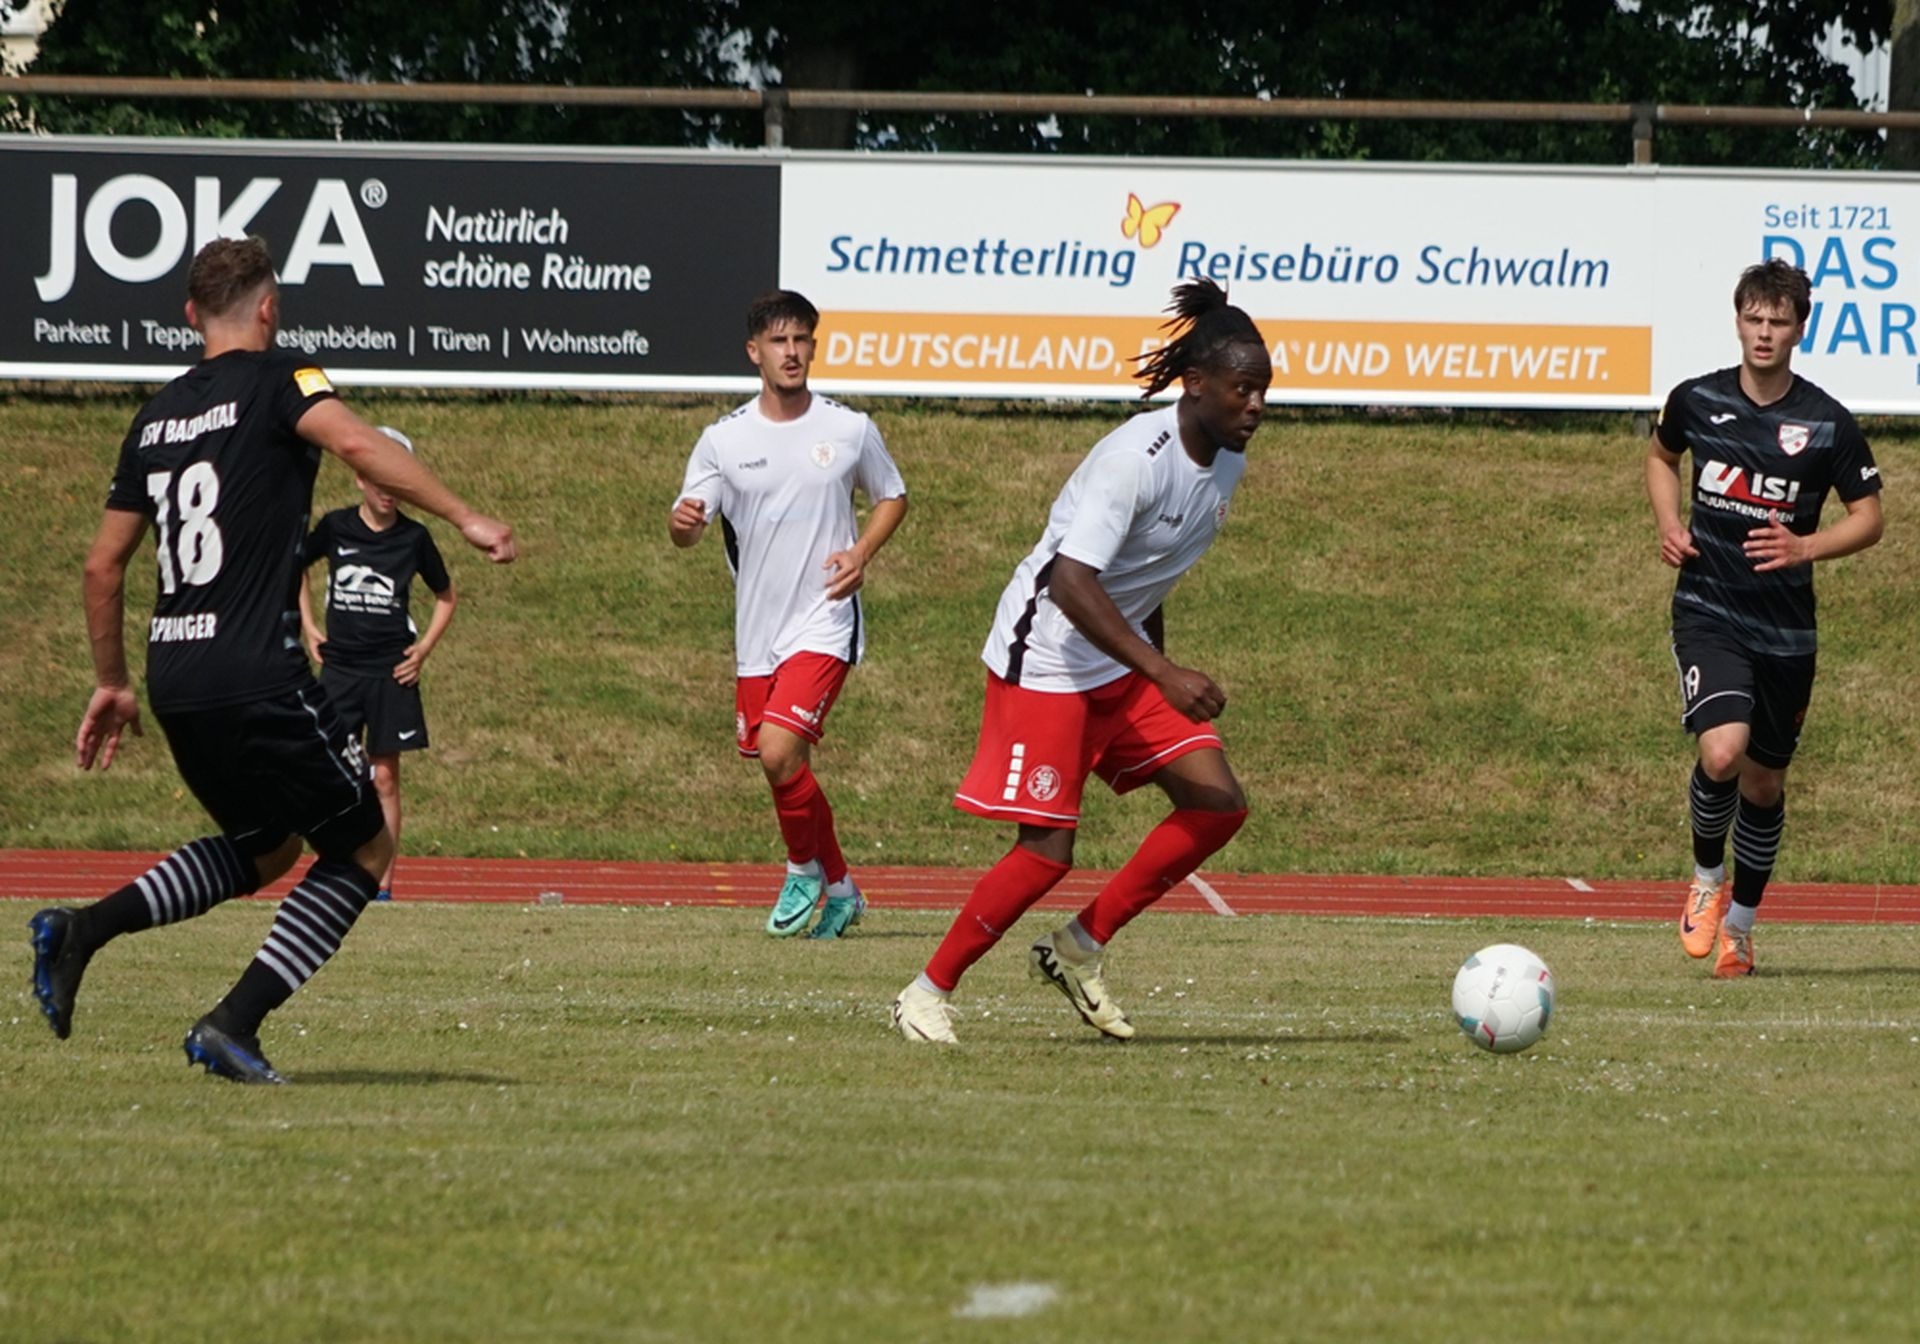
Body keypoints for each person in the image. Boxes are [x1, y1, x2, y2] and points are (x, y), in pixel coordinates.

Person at [26, 236, 515, 1084]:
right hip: (258, 671)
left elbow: (102, 566)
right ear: (268, 309)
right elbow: (358, 444)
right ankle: (232, 1023)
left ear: (191, 316)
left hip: (177, 679)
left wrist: (111, 681)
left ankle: (83, 930)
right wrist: (465, 515)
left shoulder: (154, 417)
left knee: (266, 849)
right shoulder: (285, 377)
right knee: (365, 850)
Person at [892, 278, 1269, 1045]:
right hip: (1047, 658)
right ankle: (925, 994)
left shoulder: (1225, 460)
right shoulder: (1135, 460)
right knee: (1046, 854)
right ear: (1195, 385)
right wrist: (1164, 673)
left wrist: (1154, 668)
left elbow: (1147, 576)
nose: (1257, 405)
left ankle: (1078, 946)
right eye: (1243, 389)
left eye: (1264, 390)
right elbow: (1071, 583)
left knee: (1217, 805)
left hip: (1117, 662)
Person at [1646, 258, 1884, 978]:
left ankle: (1741, 930)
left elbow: (1870, 518)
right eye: (1754, 318)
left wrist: (1807, 545)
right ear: (1738, 320)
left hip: (1786, 631)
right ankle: (1705, 880)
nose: (1764, 332)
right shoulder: (1697, 399)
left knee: (1763, 784)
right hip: (1708, 608)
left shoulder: (1826, 422)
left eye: (1778, 321)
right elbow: (1661, 457)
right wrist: (1668, 522)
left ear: (1799, 329)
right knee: (1723, 753)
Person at [669, 290, 908, 939]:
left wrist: (861, 552)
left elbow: (892, 496)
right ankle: (842, 888)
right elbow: (690, 523)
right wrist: (683, 524)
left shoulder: (848, 428)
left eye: (801, 339)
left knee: (779, 752)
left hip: (825, 618)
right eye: (779, 341)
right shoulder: (723, 440)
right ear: (755, 352)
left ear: (813, 346)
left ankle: (802, 868)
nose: (792, 352)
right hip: (757, 631)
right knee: (783, 766)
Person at [298, 426, 457, 902]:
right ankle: (339, 865)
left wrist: (422, 650)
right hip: (341, 670)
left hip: (390, 672)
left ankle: (381, 884)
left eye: (395, 479)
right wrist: (309, 626)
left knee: (384, 775)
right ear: (360, 479)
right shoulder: (336, 527)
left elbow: (445, 596)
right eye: (377, 478)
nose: (387, 489)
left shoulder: (414, 537)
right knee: (335, 773)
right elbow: (295, 566)